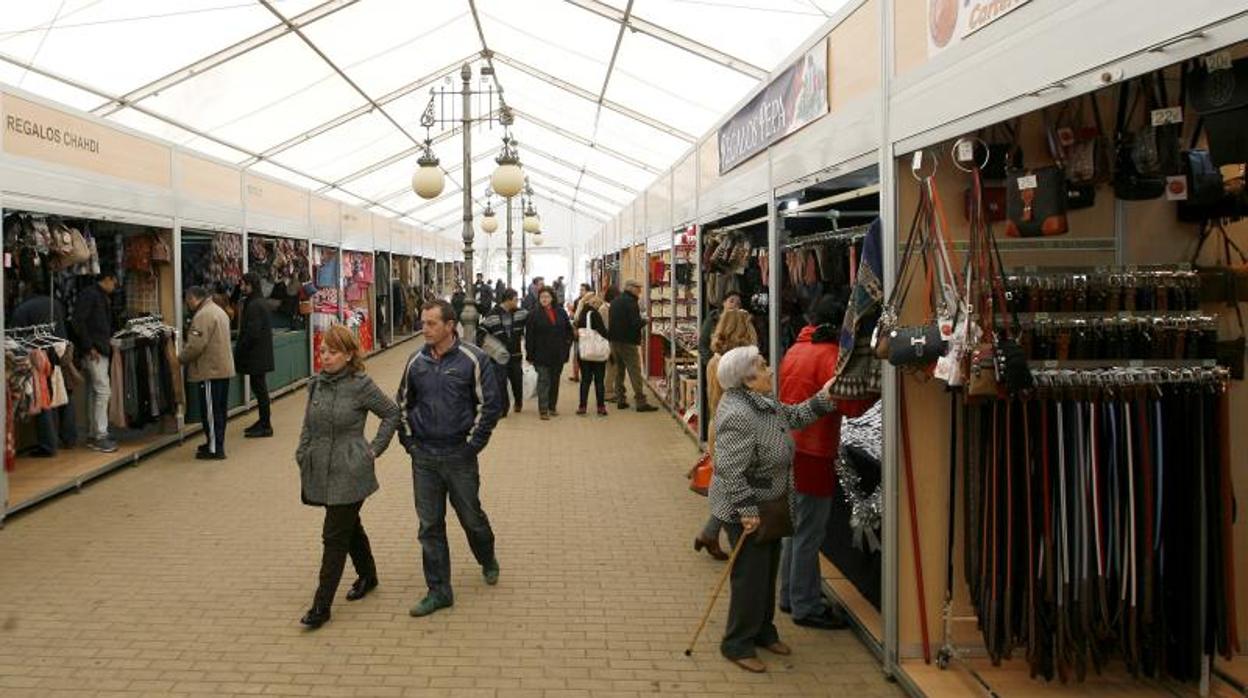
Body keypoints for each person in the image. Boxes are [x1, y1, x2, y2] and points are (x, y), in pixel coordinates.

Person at [711, 344, 841, 673]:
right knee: (749, 579)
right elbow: (727, 467)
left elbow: (795, 416)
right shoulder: (738, 413)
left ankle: (763, 631)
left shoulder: (762, 402)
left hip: (770, 503)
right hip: (749, 508)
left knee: (767, 570)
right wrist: (747, 510)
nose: (770, 370)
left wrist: (825, 396)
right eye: (763, 365)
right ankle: (737, 642)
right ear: (748, 379)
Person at [397, 300, 502, 618]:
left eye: (431, 323)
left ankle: (487, 557)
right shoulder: (415, 361)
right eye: (423, 323)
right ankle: (439, 591)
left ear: (450, 325)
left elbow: (489, 407)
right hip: (425, 458)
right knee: (429, 526)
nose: (424, 329)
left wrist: (471, 447)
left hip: (459, 456)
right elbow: (401, 403)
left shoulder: (474, 359)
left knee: (471, 518)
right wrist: (410, 443)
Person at [296, 324, 401, 629]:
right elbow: (308, 424)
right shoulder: (316, 384)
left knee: (333, 536)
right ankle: (368, 575)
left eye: (333, 351)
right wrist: (302, 453)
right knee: (348, 526)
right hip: (321, 469)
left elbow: (392, 413)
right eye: (323, 350)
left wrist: (373, 450)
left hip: (350, 470)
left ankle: (321, 605)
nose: (325, 357)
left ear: (349, 355)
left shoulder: (360, 384)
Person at [777, 295, 873, 629]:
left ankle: (790, 595)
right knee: (809, 533)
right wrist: (875, 391)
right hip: (814, 451)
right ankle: (805, 606)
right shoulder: (830, 356)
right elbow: (848, 406)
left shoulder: (794, 350)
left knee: (793, 529)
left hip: (789, 446)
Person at [694, 309, 758, 560]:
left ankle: (709, 533)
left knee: (726, 483)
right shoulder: (735, 364)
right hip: (732, 427)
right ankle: (719, 535)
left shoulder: (715, 358)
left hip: (716, 424)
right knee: (735, 484)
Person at [13, 286, 76, 456]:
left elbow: (16, 338)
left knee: (43, 398)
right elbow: (62, 327)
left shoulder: (21, 310)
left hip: (38, 357)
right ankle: (70, 437)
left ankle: (49, 445)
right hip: (59, 352)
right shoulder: (54, 303)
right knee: (64, 395)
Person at [179, 285, 236, 460]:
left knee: (210, 412)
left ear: (191, 299)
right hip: (222, 368)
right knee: (219, 410)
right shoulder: (218, 311)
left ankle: (214, 448)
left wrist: (179, 358)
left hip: (211, 370)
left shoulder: (203, 315)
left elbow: (196, 345)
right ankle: (215, 442)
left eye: (187, 302)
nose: (187, 306)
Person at [72, 271, 119, 453]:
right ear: (107, 279)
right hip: (95, 351)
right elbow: (78, 321)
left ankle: (95, 433)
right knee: (103, 390)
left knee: (95, 391)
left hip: (97, 349)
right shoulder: (91, 295)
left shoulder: (97, 296)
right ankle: (100, 434)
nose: (114, 287)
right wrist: (89, 346)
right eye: (114, 283)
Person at [606, 280, 657, 412]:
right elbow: (635, 324)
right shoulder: (631, 303)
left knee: (619, 371)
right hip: (628, 342)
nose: (640, 291)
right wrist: (645, 321)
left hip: (614, 341)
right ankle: (640, 401)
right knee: (634, 371)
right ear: (631, 288)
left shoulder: (615, 301)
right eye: (638, 288)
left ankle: (621, 399)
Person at [524, 286, 574, 420]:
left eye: (547, 297)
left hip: (558, 353)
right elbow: (529, 336)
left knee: (555, 381)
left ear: (552, 298)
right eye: (542, 297)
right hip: (540, 354)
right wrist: (529, 355)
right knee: (543, 381)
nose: (544, 299)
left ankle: (552, 406)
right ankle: (543, 409)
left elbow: (568, 330)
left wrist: (567, 345)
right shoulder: (533, 314)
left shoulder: (561, 312)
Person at [236, 272, 276, 438]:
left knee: (260, 390)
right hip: (260, 354)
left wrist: (241, 349)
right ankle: (263, 421)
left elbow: (252, 333)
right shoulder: (260, 302)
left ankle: (265, 425)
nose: (241, 287)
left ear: (250, 285)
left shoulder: (254, 305)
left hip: (256, 356)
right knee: (260, 389)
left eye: (243, 284)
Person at [480, 289, 528, 416]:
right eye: (516, 300)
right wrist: (490, 349)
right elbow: (481, 333)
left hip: (515, 354)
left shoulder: (520, 313)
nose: (517, 302)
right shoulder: (492, 315)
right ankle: (503, 409)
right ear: (509, 300)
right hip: (498, 357)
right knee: (500, 383)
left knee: (517, 380)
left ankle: (518, 402)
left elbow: (533, 319)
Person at [573, 293, 609, 416]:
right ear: (593, 303)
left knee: (585, 380)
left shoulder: (580, 314)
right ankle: (600, 407)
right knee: (599, 380)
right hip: (597, 353)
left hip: (584, 352)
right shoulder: (594, 314)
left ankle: (582, 406)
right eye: (598, 304)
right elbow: (603, 332)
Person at [699, 291, 743, 363]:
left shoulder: (742, 323)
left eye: (738, 304)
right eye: (731, 301)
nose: (734, 305)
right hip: (716, 363)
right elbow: (703, 344)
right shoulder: (713, 319)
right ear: (724, 303)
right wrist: (711, 361)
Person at [568, 284, 591, 383]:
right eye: (580, 290)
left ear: (588, 291)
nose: (580, 292)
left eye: (583, 290)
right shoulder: (577, 301)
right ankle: (576, 375)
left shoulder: (591, 302)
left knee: (587, 353)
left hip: (588, 331)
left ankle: (587, 374)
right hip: (578, 330)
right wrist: (571, 312)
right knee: (576, 353)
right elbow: (573, 315)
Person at [601, 287, 618, 403]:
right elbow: (606, 327)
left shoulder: (608, 308)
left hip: (611, 340)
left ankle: (610, 390)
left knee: (613, 367)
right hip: (608, 341)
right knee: (612, 367)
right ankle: (608, 392)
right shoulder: (605, 309)